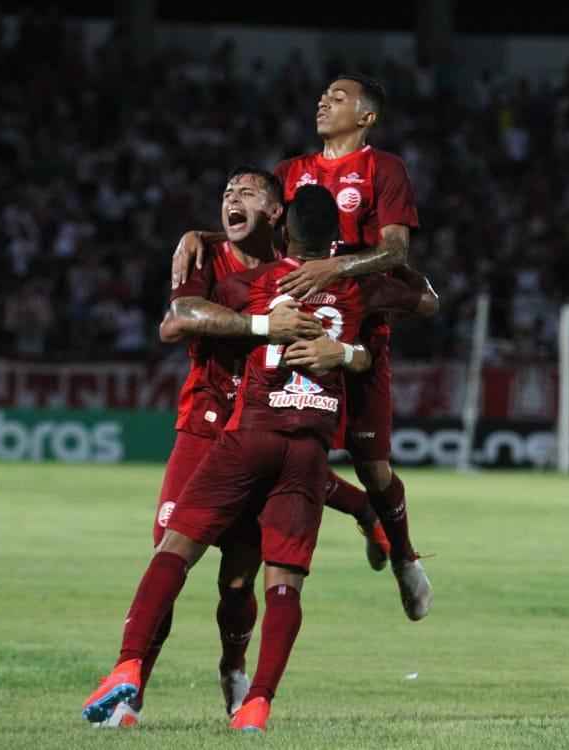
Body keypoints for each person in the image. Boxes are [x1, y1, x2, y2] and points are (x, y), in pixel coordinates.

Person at [82, 185, 437, 733]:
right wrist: (357, 293)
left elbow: (180, 317)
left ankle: (127, 668)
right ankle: (256, 705)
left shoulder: (252, 283)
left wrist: (230, 283)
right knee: (284, 584)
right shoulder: (357, 288)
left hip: (250, 433)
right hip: (311, 449)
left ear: (284, 229)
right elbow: (426, 299)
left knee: (175, 548)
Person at [173, 74, 431, 620]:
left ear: (366, 117)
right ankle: (343, 525)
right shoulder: (292, 172)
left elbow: (395, 250)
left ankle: (405, 557)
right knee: (283, 446)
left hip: (357, 328)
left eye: (338, 98)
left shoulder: (384, 170)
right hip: (293, 325)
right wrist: (206, 236)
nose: (323, 101)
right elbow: (263, 227)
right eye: (323, 95)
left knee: (373, 464)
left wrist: (334, 267)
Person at [102, 166, 324, 727]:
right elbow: (175, 321)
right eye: (226, 191)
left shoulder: (298, 272)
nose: (232, 197)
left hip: (263, 432)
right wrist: (258, 326)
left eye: (247, 192)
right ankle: (130, 691)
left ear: (276, 212)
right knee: (169, 558)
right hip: (204, 430)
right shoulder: (204, 256)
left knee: (237, 580)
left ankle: (233, 669)